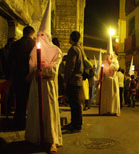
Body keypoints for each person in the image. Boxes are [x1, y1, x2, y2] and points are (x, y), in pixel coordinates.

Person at [25, 1, 63, 152]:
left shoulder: (56, 51)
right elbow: (32, 66)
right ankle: (35, 137)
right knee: (36, 110)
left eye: (43, 35)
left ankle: (51, 139)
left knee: (50, 112)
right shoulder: (34, 51)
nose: (40, 38)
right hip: (36, 85)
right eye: (38, 35)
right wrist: (37, 69)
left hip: (48, 85)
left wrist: (43, 68)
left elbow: (54, 69)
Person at [10, 26, 35, 130]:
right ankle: (30, 123)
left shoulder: (15, 44)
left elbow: (10, 61)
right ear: (32, 34)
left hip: (18, 76)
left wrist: (11, 75)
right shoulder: (35, 44)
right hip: (30, 76)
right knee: (31, 101)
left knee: (20, 100)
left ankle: (18, 123)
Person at [64, 31, 84, 131]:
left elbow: (70, 67)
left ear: (71, 38)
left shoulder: (73, 50)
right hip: (79, 80)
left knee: (74, 104)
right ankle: (76, 123)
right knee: (76, 104)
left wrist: (65, 80)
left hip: (73, 80)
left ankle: (76, 125)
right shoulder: (80, 49)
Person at [100, 34, 121, 116]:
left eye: (110, 54)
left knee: (114, 96)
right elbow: (103, 70)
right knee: (106, 96)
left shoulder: (115, 61)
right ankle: (106, 110)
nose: (108, 56)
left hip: (113, 81)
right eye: (107, 54)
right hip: (106, 81)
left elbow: (116, 68)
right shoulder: (104, 62)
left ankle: (114, 110)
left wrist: (111, 64)